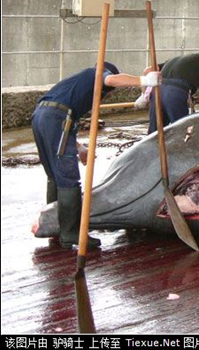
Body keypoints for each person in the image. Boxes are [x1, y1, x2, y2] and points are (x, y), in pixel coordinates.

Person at [32, 62, 161, 249]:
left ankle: (54, 223)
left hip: (41, 116)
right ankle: (70, 233)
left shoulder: (76, 84)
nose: (110, 94)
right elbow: (111, 80)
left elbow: (63, 119)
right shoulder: (98, 73)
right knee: (68, 178)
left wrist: (79, 147)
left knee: (54, 175)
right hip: (56, 117)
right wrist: (145, 80)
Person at [139, 53, 199, 134]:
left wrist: (144, 96)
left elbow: (147, 70)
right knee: (183, 131)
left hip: (156, 91)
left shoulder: (174, 61)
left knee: (154, 134)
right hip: (175, 93)